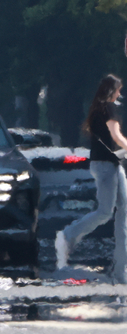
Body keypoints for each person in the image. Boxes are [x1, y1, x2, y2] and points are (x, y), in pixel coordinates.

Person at [56, 74, 127, 280]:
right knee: (106, 212)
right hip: (107, 166)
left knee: (123, 213)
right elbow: (116, 136)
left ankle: (120, 269)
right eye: (118, 90)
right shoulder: (108, 108)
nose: (120, 93)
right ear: (111, 90)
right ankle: (69, 234)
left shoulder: (97, 108)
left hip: (108, 164)